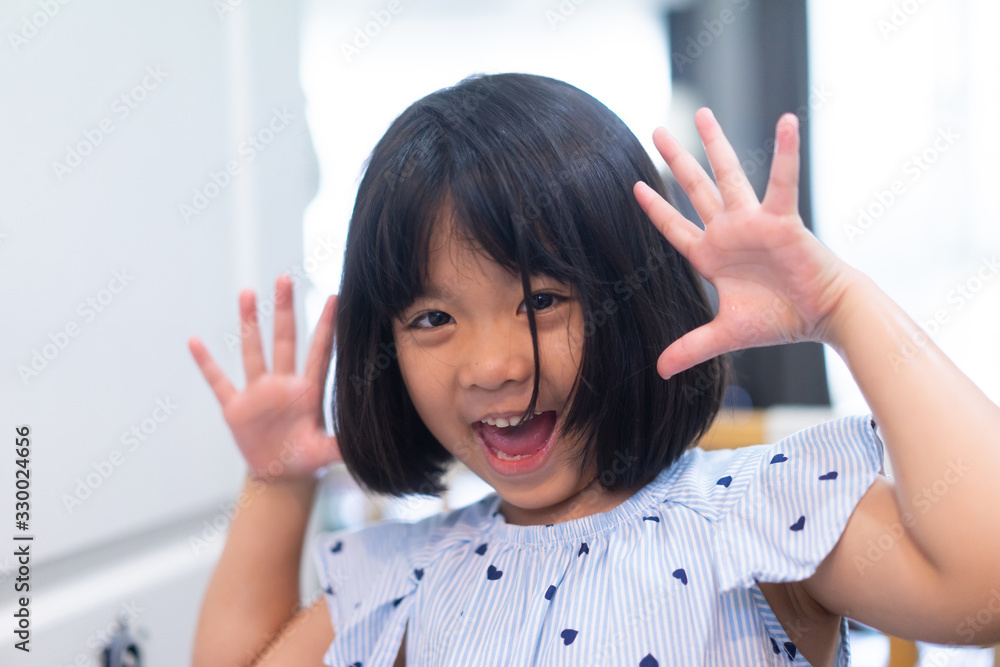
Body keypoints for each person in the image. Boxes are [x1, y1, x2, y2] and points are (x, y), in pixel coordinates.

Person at [188, 73, 1000, 666]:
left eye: (541, 300)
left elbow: (984, 586)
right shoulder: (408, 575)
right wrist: (275, 481)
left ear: (630, 295)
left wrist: (841, 305)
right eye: (434, 318)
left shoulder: (753, 517)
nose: (495, 365)